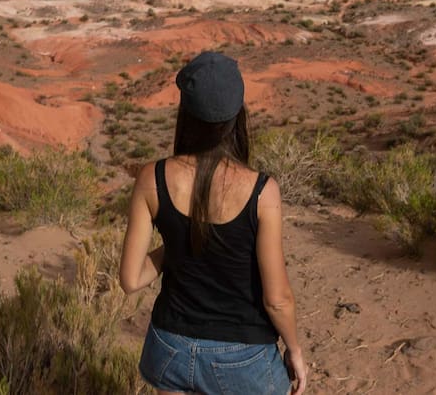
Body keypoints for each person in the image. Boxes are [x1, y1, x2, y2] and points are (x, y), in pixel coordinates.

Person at [119, 51, 308, 395]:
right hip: (243, 359)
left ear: (186, 115)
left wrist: (179, 244)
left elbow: (132, 280)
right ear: (237, 116)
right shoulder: (262, 191)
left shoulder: (152, 178)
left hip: (169, 350)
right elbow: (277, 300)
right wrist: (294, 350)